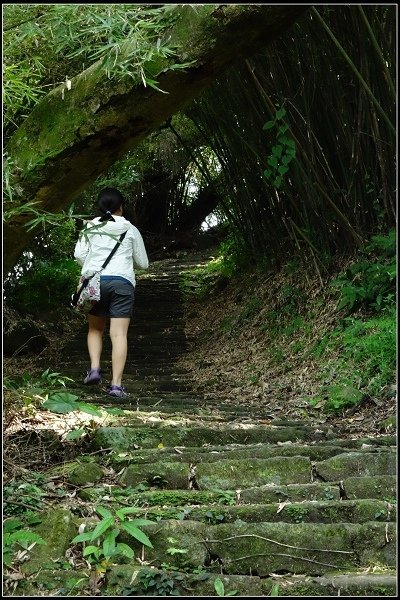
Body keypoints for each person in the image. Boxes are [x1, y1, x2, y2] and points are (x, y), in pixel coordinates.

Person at [74, 187, 149, 398]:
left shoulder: (89, 227)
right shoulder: (130, 229)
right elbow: (143, 263)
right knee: (118, 334)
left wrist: (93, 263)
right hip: (122, 282)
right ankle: (116, 385)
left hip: (95, 282)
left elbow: (79, 255)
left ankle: (95, 369)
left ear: (99, 207)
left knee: (95, 329)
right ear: (121, 207)